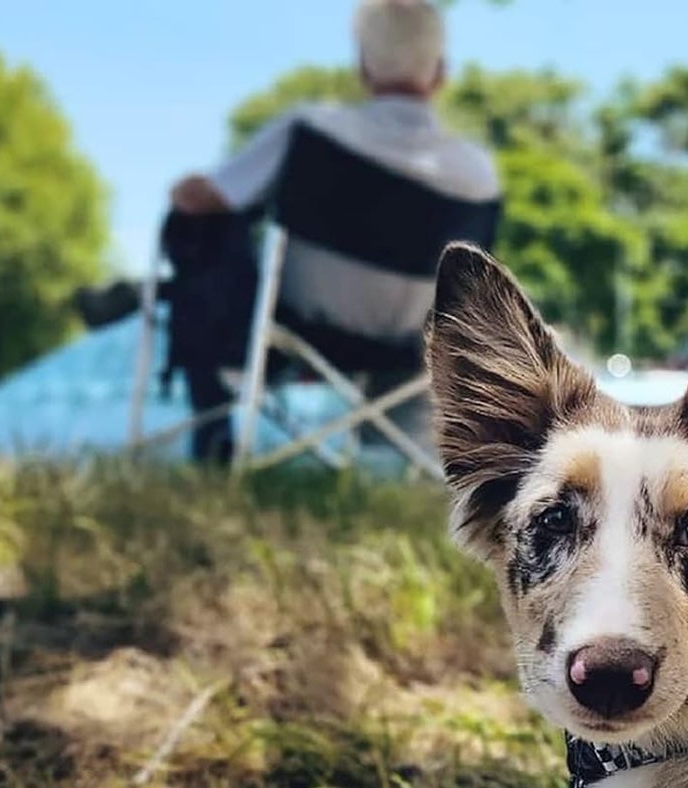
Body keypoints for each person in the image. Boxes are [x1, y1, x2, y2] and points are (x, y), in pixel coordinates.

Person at [165, 0, 501, 462]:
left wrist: (187, 186)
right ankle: (393, 455)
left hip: (301, 330)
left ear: (364, 65)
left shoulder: (313, 133)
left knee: (197, 229)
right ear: (440, 71)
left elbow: (197, 200)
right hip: (413, 345)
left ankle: (215, 430)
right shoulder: (478, 175)